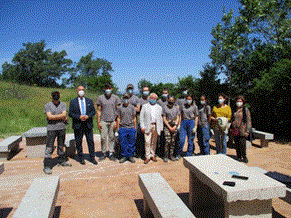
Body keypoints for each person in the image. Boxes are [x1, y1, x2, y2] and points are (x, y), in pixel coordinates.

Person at [43, 91, 72, 174]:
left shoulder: (63, 104)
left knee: (61, 145)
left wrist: (53, 117)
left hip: (61, 128)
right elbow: (49, 116)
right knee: (49, 146)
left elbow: (63, 115)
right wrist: (60, 116)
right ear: (51, 96)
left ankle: (61, 160)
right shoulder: (48, 105)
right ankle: (47, 165)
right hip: (51, 129)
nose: (56, 96)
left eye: (57, 95)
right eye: (54, 95)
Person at [68, 86, 97, 165]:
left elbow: (93, 112)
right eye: (79, 90)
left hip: (88, 124)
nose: (81, 91)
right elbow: (70, 113)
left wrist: (88, 116)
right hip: (78, 124)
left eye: (82, 90)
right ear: (77, 91)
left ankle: (92, 158)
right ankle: (81, 158)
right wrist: (79, 117)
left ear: (85, 91)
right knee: (78, 142)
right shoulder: (73, 101)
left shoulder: (89, 101)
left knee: (90, 141)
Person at [97, 84, 121, 161]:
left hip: (112, 120)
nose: (108, 89)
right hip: (103, 120)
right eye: (106, 88)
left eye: (109, 88)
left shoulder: (116, 98)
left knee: (112, 137)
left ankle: (111, 153)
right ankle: (103, 153)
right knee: (103, 137)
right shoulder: (100, 97)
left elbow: (118, 111)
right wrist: (98, 121)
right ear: (104, 89)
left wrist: (117, 122)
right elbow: (98, 110)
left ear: (112, 89)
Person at [140, 93, 163, 164]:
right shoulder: (144, 106)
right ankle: (147, 156)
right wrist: (142, 126)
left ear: (156, 99)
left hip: (156, 126)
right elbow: (141, 117)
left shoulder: (159, 107)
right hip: (147, 126)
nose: (153, 99)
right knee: (147, 142)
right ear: (149, 98)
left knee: (154, 141)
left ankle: (152, 155)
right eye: (152, 98)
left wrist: (161, 127)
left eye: (154, 98)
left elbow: (160, 118)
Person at [116, 94, 137, 163]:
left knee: (131, 143)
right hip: (123, 128)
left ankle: (130, 156)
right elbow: (118, 118)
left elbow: (134, 118)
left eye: (127, 98)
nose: (126, 99)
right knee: (123, 143)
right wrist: (118, 128)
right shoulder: (119, 108)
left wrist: (135, 128)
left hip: (131, 128)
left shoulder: (132, 107)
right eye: (124, 98)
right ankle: (124, 156)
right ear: (122, 98)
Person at [230, 95, 252, 163]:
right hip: (235, 129)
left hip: (242, 130)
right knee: (236, 144)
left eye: (240, 101)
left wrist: (247, 131)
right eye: (238, 101)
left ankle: (244, 156)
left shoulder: (245, 110)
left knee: (242, 144)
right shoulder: (234, 109)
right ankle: (238, 156)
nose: (239, 102)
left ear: (243, 102)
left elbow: (248, 121)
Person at [176, 94, 198, 159]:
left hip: (191, 122)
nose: (189, 100)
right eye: (187, 99)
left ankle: (189, 154)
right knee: (181, 139)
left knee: (190, 140)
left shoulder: (194, 107)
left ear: (192, 100)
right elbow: (180, 115)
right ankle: (179, 153)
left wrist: (195, 126)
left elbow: (196, 116)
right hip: (183, 122)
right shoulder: (183, 106)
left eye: (190, 99)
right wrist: (179, 124)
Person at [162, 95, 181, 162]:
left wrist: (176, 125)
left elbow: (178, 117)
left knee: (173, 142)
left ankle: (171, 155)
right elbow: (164, 118)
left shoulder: (176, 108)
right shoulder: (164, 108)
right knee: (167, 141)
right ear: (168, 100)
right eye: (170, 100)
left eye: (172, 100)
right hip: (167, 126)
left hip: (174, 126)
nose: (171, 102)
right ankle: (166, 156)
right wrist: (169, 127)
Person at [135, 86, 150, 159]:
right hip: (141, 121)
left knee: (148, 139)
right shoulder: (140, 100)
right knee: (140, 137)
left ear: (149, 91)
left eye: (146, 90)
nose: (145, 92)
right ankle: (139, 153)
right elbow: (137, 109)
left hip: (149, 122)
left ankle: (147, 153)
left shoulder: (151, 100)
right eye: (144, 90)